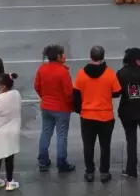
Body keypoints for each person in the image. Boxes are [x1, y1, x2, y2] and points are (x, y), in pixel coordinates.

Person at [73, 45, 122, 183]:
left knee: (88, 146)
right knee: (105, 146)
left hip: (87, 116)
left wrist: (80, 110)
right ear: (103, 57)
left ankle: (89, 172)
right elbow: (117, 92)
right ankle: (104, 172)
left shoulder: (81, 74)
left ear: (90, 56)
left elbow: (76, 94)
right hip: (105, 116)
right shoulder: (109, 73)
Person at [113, 47, 140, 178]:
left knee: (131, 140)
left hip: (127, 110)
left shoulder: (121, 73)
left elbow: (116, 91)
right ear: (138, 59)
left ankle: (131, 169)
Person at [34, 44, 75, 173]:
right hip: (61, 108)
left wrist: (44, 97)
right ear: (58, 56)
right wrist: (71, 105)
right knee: (61, 136)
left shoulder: (42, 69)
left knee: (45, 133)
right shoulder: (63, 72)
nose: (65, 56)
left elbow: (37, 86)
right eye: (63, 54)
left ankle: (43, 161)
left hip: (46, 106)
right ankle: (62, 162)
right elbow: (69, 92)